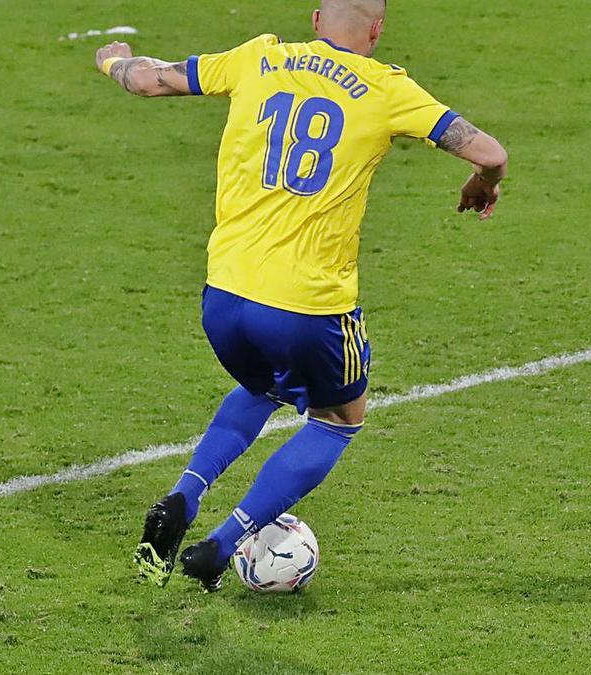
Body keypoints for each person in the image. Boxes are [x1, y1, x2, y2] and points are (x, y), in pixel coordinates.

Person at [95, 0, 508, 591]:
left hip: (225, 295)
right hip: (310, 306)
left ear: (316, 20)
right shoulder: (387, 87)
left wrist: (115, 63)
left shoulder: (257, 57)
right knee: (338, 419)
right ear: (377, 29)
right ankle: (220, 545)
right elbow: (490, 153)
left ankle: (182, 497)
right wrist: (482, 182)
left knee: (261, 384)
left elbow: (149, 79)